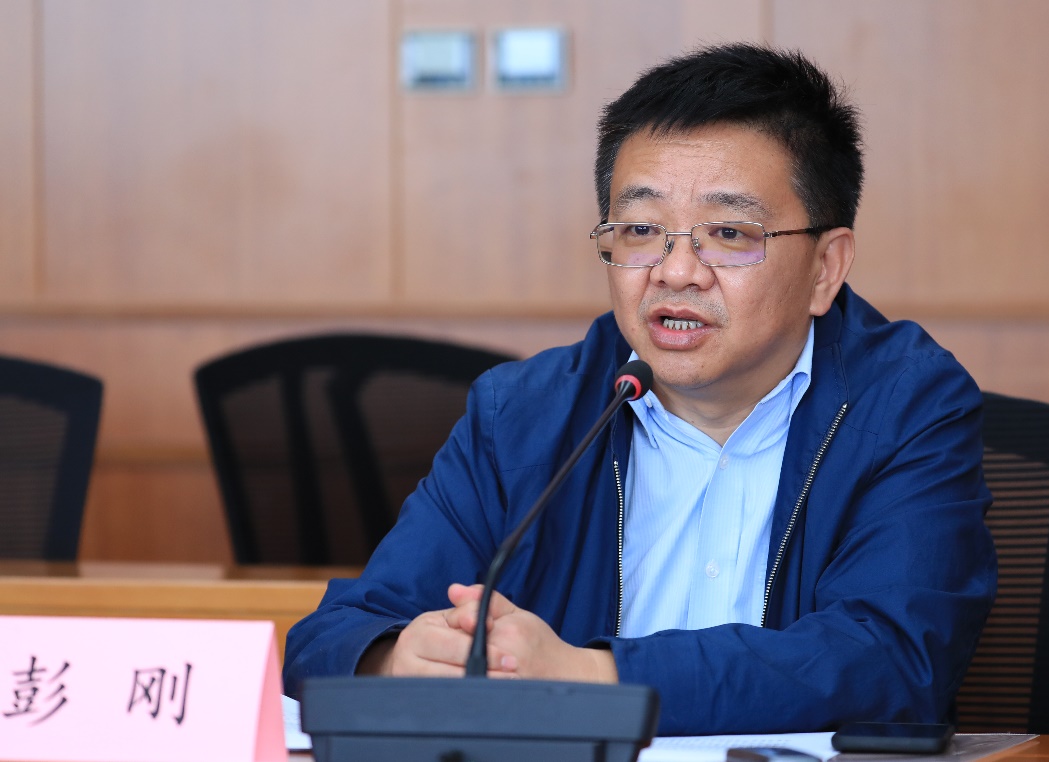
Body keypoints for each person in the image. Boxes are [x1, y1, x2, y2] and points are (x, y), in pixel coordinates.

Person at [283, 43, 997, 735]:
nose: (675, 271)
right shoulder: (524, 414)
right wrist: (396, 659)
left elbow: (893, 659)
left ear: (825, 268)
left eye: (728, 232)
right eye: (641, 229)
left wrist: (590, 677)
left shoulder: (906, 405)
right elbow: (334, 634)